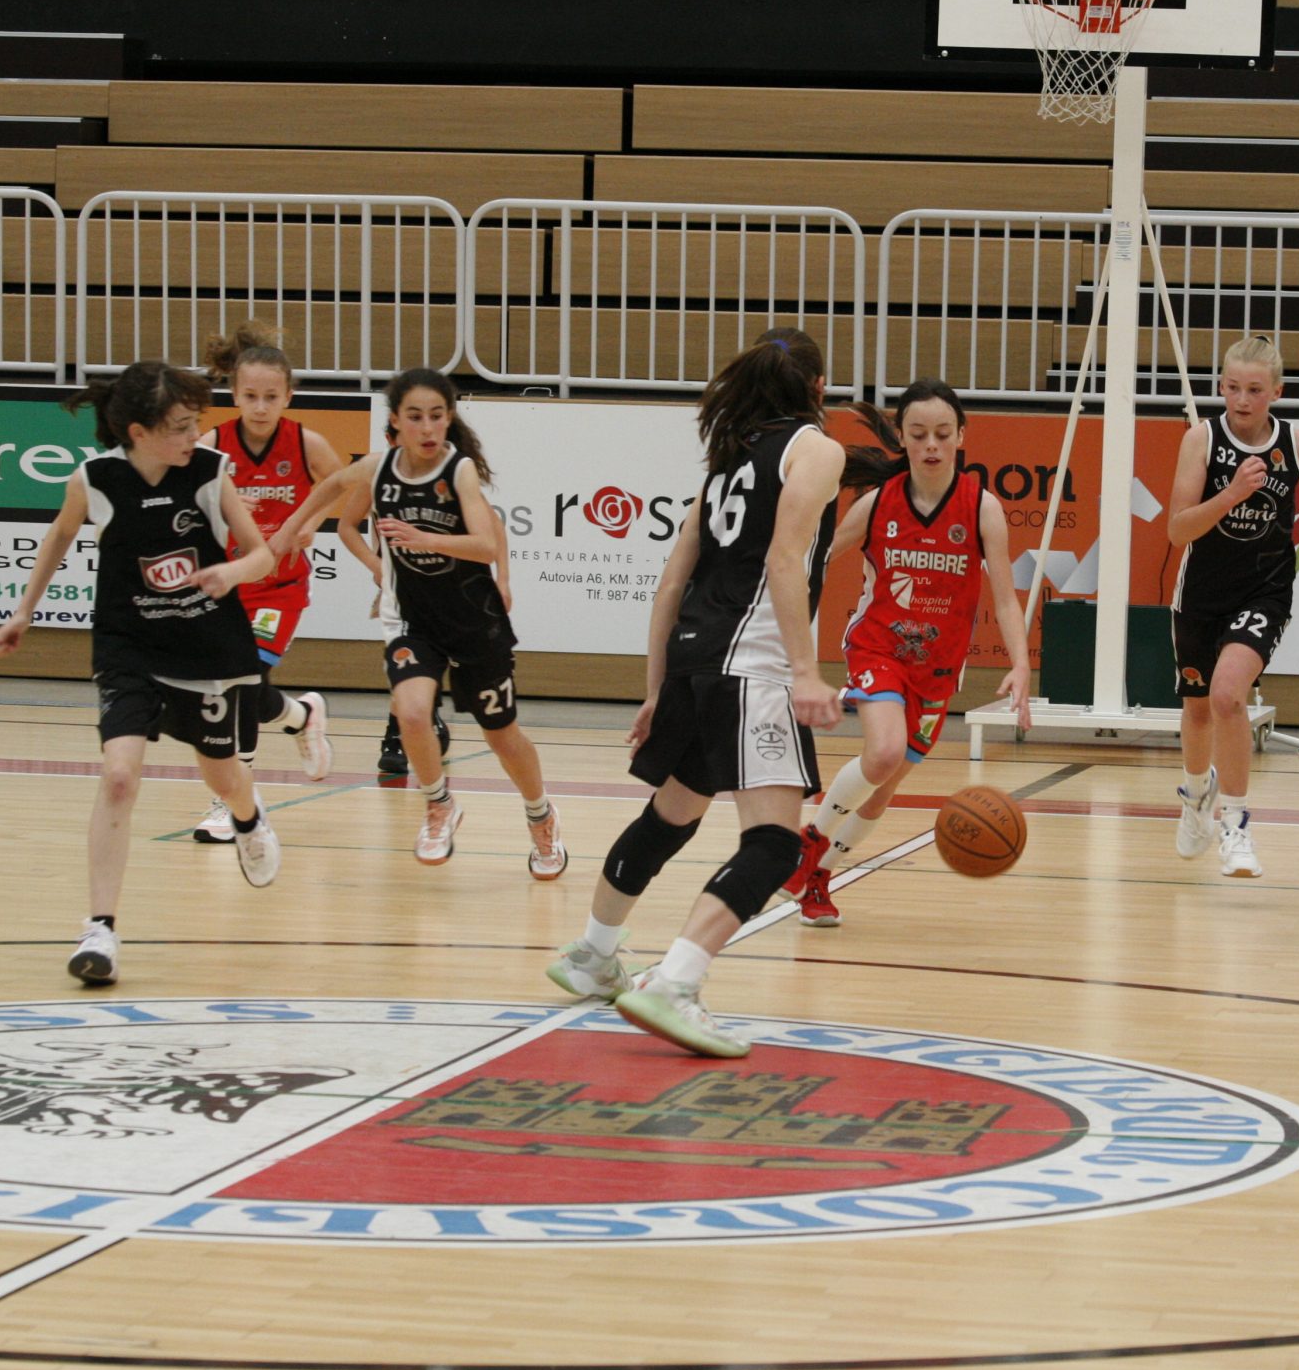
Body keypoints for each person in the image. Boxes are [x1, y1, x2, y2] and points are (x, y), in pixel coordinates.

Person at [546, 327, 844, 1058]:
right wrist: (804, 671)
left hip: (692, 657)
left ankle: (593, 953)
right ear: (816, 389)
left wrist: (656, 690)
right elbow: (783, 557)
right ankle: (675, 981)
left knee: (671, 815)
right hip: (754, 663)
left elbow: (671, 583)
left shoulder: (723, 469)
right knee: (775, 844)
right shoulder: (816, 447)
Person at [0, 361, 280, 986]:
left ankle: (249, 817)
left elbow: (261, 553)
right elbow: (59, 536)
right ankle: (100, 929)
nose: (193, 437)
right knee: (119, 778)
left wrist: (231, 573)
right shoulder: (94, 481)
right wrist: (24, 611)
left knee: (225, 776)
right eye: (179, 427)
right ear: (137, 431)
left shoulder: (209, 472)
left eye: (195, 424)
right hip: (129, 646)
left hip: (204, 646)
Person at [271, 368, 564, 877]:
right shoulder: (378, 468)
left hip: (474, 621)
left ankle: (540, 814)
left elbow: (487, 544)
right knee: (410, 712)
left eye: (436, 416)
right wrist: (291, 529)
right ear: (396, 422)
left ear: (448, 419)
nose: (427, 428)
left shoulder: (460, 472)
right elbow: (330, 489)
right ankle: (438, 805)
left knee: (502, 735)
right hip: (413, 619)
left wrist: (427, 540)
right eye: (415, 417)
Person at [779, 379, 1032, 925]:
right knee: (884, 752)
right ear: (904, 438)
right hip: (878, 647)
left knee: (879, 792)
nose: (932, 445)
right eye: (919, 435)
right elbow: (808, 558)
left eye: (943, 434)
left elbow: (1006, 600)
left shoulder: (982, 508)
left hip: (936, 669)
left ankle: (819, 876)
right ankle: (810, 840)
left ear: (962, 436)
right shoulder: (877, 505)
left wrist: (1020, 663)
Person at [1166, 335, 1299, 878]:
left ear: (1276, 391)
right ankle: (1196, 795)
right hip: (1201, 591)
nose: (1242, 399)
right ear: (1221, 387)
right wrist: (1230, 494)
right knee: (1198, 706)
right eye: (1232, 387)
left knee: (1229, 695)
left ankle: (1236, 825)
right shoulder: (1201, 440)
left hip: (1264, 591)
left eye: (1255, 389)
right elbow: (1177, 528)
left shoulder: (1294, 443)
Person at [188, 321, 354, 843]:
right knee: (241, 688)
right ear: (233, 394)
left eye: (271, 397)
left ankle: (234, 802)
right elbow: (189, 508)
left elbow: (348, 490)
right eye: (250, 396)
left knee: (243, 684)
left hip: (279, 587)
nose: (260, 407)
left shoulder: (306, 442)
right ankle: (302, 715)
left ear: (289, 395)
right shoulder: (213, 444)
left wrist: (308, 524)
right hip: (233, 584)